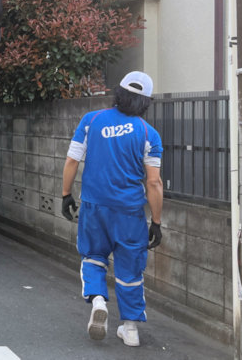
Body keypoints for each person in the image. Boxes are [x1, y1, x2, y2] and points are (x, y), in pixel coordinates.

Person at [61, 71, 163, 347]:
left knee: (93, 256)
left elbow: (72, 161)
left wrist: (66, 195)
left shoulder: (91, 120)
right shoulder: (149, 134)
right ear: (146, 102)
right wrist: (156, 221)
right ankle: (130, 329)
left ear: (118, 93)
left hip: (94, 206)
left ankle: (98, 301)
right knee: (130, 269)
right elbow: (153, 183)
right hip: (130, 212)